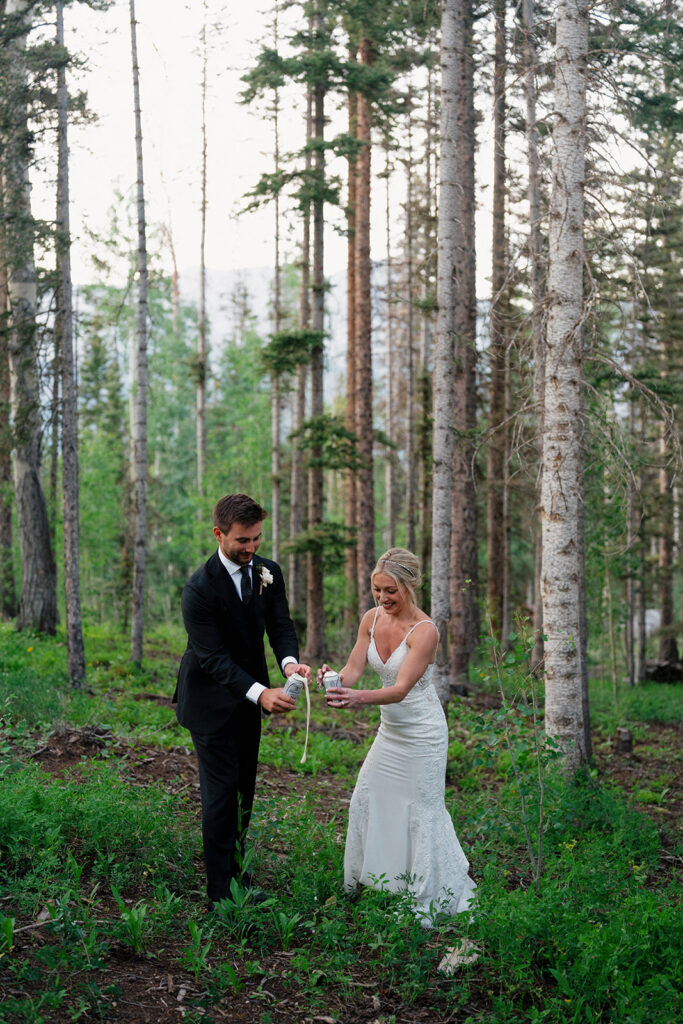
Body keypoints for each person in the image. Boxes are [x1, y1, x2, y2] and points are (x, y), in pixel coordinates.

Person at [319, 548, 476, 926]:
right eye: (377, 590)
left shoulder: (425, 632)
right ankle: (358, 886)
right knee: (364, 798)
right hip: (390, 732)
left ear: (410, 585)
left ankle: (424, 900)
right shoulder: (371, 620)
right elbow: (355, 669)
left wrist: (357, 699)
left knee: (422, 813)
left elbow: (401, 688)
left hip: (423, 733)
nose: (383, 598)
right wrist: (336, 681)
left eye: (391, 590)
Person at [174, 493, 311, 903]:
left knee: (244, 791)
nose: (251, 548)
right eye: (242, 541)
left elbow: (281, 624)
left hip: (252, 699)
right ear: (219, 534)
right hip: (209, 701)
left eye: (256, 539)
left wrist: (288, 664)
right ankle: (221, 894)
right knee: (221, 795)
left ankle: (238, 878)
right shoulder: (198, 589)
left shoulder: (269, 572)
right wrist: (261, 693)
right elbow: (213, 658)